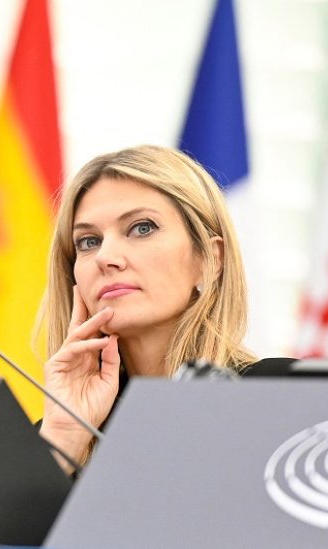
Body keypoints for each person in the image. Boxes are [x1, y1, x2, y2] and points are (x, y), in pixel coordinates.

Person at [37, 144, 258, 473]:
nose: (106, 257)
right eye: (88, 241)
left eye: (142, 228)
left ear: (210, 260)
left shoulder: (277, 398)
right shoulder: (54, 431)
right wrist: (65, 436)